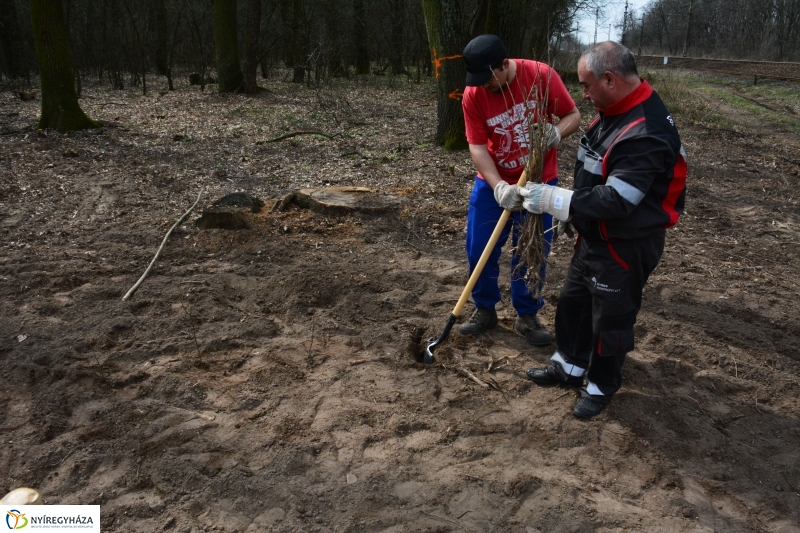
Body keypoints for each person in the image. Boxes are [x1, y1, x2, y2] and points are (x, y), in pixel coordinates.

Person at [521, 41, 688, 418]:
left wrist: (554, 201)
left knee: (610, 318)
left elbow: (617, 201)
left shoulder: (644, 131)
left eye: (585, 84)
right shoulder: (611, 110)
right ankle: (569, 365)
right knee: (574, 304)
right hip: (595, 233)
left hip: (625, 242)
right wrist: (573, 212)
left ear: (609, 79)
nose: (582, 93)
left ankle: (600, 386)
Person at [458, 34, 581, 345]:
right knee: (479, 248)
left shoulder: (540, 75)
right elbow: (476, 146)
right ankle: (484, 310)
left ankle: (527, 314)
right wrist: (499, 186)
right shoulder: (473, 94)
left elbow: (573, 115)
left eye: (488, 78)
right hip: (492, 182)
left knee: (532, 250)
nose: (483, 85)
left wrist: (556, 132)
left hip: (539, 180)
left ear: (504, 64)